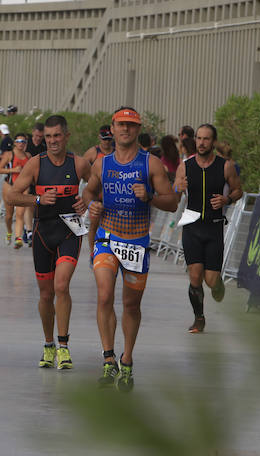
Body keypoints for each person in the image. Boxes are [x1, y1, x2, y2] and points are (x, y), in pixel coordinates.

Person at [80, 107, 178, 391]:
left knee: (131, 305)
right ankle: (108, 358)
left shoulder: (151, 164)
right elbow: (88, 191)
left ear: (138, 130)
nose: (126, 130)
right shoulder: (102, 164)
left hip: (136, 242)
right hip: (107, 239)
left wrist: (148, 197)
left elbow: (171, 202)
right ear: (112, 127)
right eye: (121, 125)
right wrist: (91, 203)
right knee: (104, 295)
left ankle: (128, 359)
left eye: (131, 126)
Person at [7, 115, 90, 369]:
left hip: (69, 231)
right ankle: (48, 344)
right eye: (49, 136)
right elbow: (12, 195)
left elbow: (97, 184)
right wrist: (39, 200)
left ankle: (63, 346)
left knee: (61, 285)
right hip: (44, 233)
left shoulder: (78, 163)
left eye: (57, 136)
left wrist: (86, 198)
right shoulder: (36, 163)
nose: (53, 141)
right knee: (46, 294)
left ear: (66, 136)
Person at [174, 124, 242, 333]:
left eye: (206, 139)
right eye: (198, 138)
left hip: (213, 228)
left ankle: (217, 284)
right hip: (192, 227)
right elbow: (175, 192)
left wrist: (226, 199)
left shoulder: (225, 166)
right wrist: (178, 188)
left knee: (210, 280)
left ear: (213, 142)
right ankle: (199, 318)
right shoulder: (186, 165)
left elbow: (238, 190)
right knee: (195, 276)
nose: (201, 143)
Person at [0, 133, 31, 247]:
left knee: (20, 213)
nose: (21, 144)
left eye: (23, 142)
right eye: (19, 141)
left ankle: (18, 238)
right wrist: (13, 170)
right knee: (9, 215)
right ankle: (9, 232)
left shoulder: (28, 156)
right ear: (15, 143)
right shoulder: (9, 154)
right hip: (10, 186)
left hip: (24, 188)